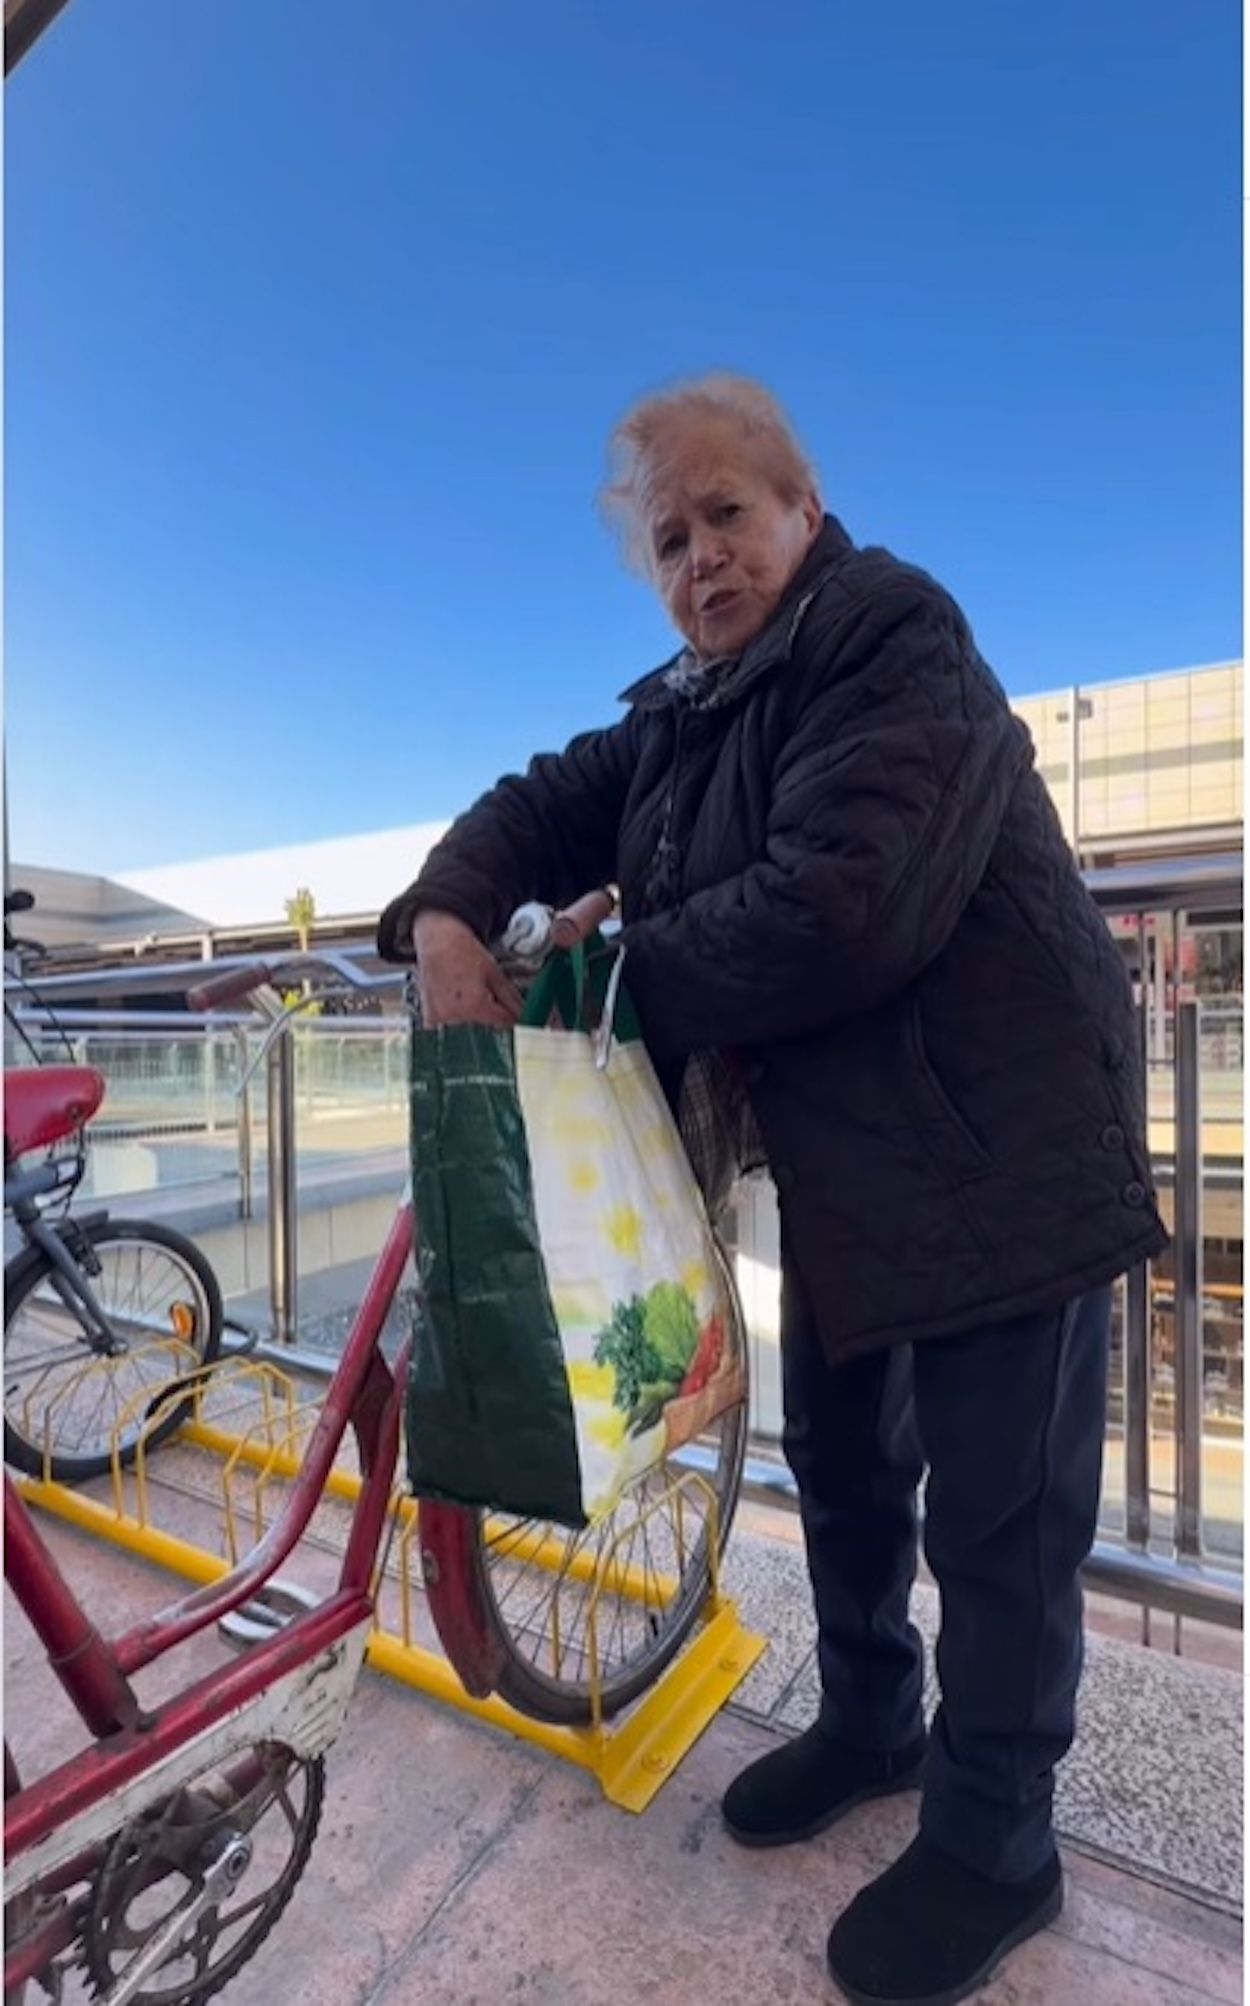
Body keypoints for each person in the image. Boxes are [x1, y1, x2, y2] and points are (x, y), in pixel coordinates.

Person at [378, 375, 1167, 2006]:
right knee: (841, 1458)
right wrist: (449, 910)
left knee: (1002, 1519)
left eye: (726, 514)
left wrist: (608, 978)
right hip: (857, 1155)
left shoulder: (891, 633)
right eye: (668, 540)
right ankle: (874, 1718)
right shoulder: (685, 705)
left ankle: (997, 1838)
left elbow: (841, 904)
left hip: (1003, 1139)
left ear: (804, 510)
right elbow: (543, 796)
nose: (700, 561)